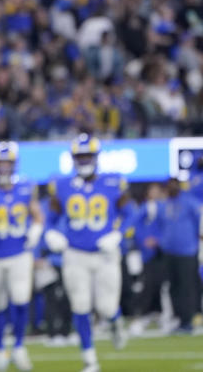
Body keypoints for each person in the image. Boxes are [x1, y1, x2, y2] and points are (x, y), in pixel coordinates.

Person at [45, 133, 134, 372]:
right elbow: (49, 219)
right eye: (80, 157)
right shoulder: (61, 186)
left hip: (105, 255)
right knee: (81, 306)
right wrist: (50, 233)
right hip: (75, 254)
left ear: (96, 157)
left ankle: (115, 322)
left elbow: (132, 214)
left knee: (106, 307)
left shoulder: (114, 182)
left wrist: (118, 234)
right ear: (74, 158)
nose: (84, 161)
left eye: (88, 156)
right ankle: (90, 359)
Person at [0, 141, 43, 371]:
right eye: (1, 165)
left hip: (20, 254)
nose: (4, 169)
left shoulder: (26, 189)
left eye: (8, 164)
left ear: (14, 166)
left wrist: (36, 231)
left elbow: (37, 215)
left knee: (20, 300)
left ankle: (18, 345)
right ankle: (0, 348)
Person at [156, 178, 202, 333]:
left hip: (187, 250)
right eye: (169, 186)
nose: (171, 188)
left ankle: (188, 320)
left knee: (186, 287)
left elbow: (200, 221)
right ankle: (179, 318)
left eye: (174, 185)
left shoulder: (189, 202)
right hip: (169, 251)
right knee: (173, 287)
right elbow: (161, 225)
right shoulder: (164, 204)